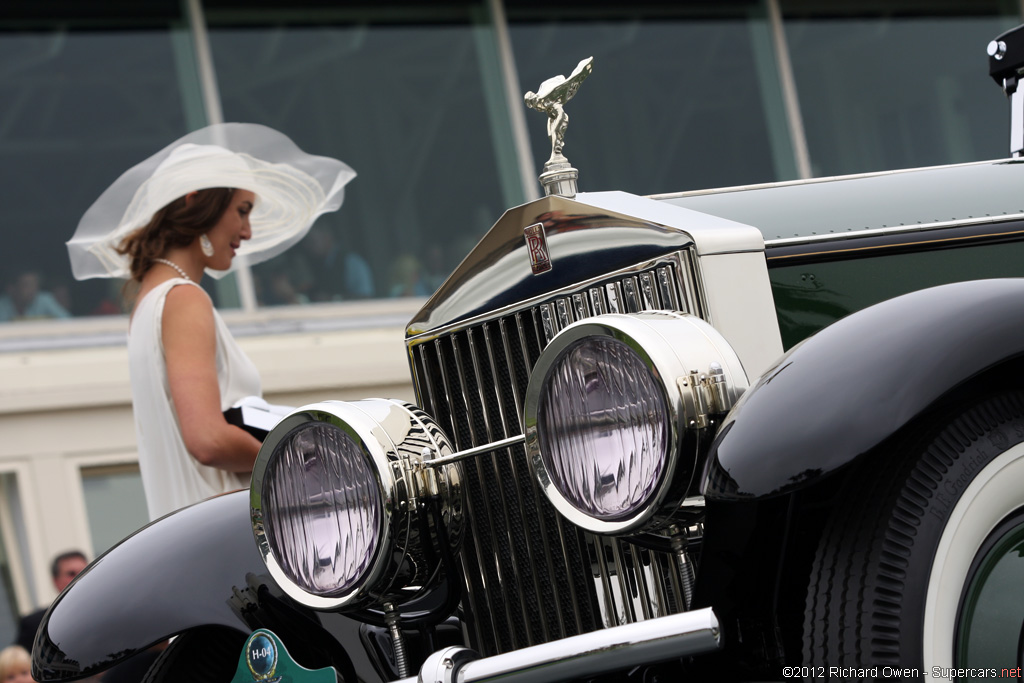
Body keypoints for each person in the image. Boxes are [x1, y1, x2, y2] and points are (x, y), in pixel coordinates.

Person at [66, 123, 355, 520]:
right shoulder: (183, 299)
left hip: (187, 524)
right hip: (221, 523)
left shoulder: (149, 304)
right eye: (242, 210)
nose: (248, 231)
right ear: (197, 201)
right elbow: (207, 439)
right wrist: (295, 466)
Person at [14, 551, 87, 652]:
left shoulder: (109, 611)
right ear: (56, 582)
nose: (81, 576)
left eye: (86, 571)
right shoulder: (36, 624)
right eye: (71, 573)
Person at [0, 270, 71, 322]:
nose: (32, 290)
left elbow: (67, 321)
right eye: (26, 285)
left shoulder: (44, 300)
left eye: (34, 285)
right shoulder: (2, 305)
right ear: (11, 288)